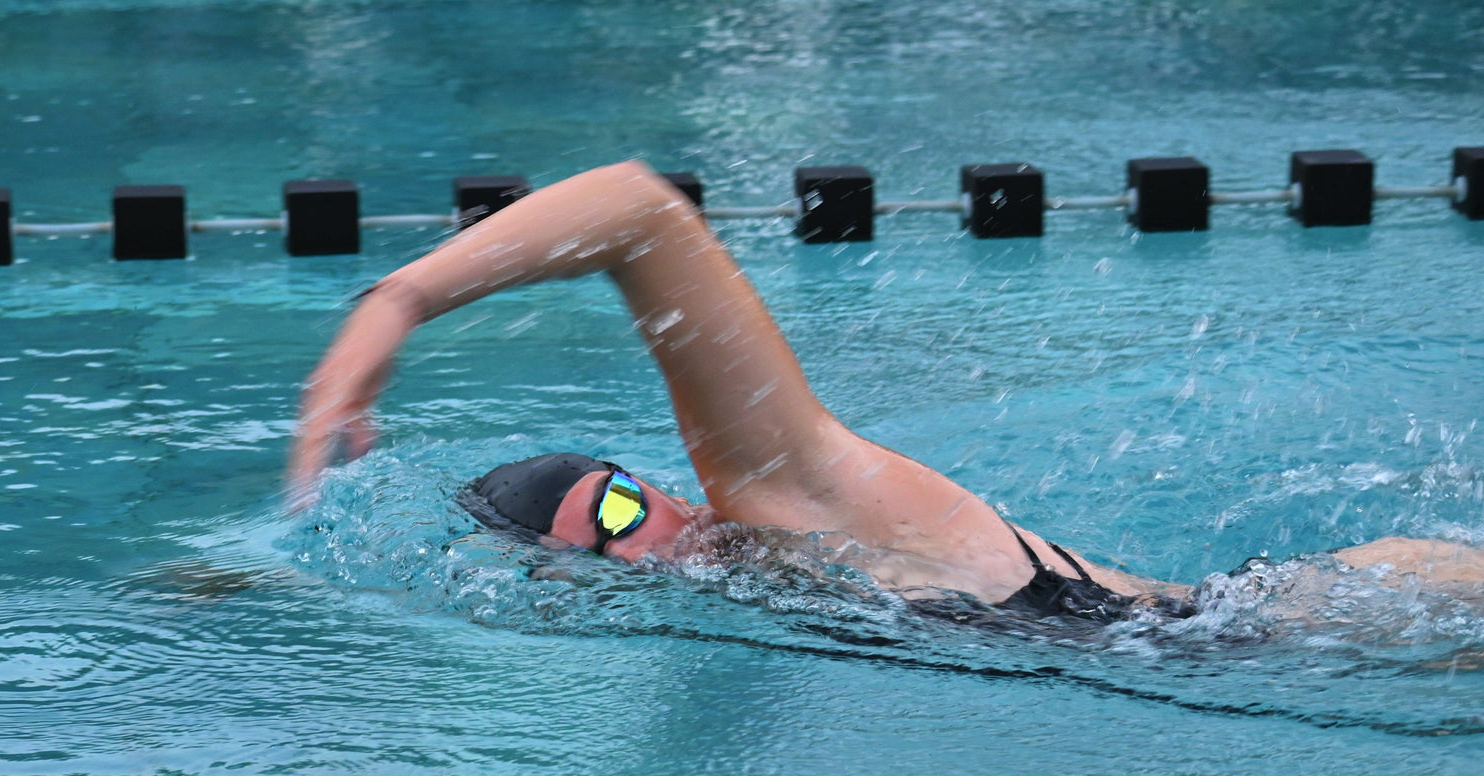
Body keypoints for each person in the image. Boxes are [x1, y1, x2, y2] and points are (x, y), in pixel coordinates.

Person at [287, 160, 1484, 624]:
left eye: (616, 504)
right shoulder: (782, 596)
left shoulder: (788, 499)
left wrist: (392, 305)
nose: (637, 540)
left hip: (1325, 622)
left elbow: (640, 214)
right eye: (594, 551)